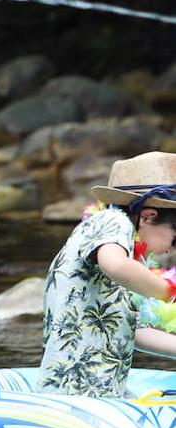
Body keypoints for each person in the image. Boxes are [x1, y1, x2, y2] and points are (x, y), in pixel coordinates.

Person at [38, 151, 176, 396]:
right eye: (175, 239)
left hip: (104, 389)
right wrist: (168, 291)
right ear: (148, 216)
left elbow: (136, 332)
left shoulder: (129, 256)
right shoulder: (112, 221)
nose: (172, 249)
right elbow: (115, 265)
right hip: (72, 392)